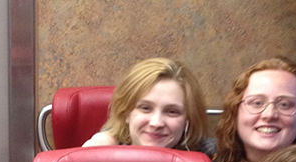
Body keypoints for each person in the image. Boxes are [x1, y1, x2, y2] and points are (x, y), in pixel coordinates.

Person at [82, 57, 214, 155]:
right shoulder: (101, 154)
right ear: (126, 112)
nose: (156, 123)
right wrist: (94, 156)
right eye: (145, 108)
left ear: (188, 119)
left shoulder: (211, 160)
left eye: (172, 112)